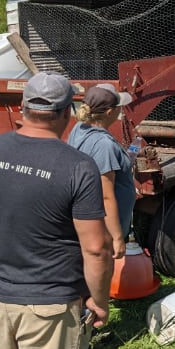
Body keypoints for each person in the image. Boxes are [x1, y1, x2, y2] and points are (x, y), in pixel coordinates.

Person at [0, 72, 113, 349]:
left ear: (22, 107)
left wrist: (5, 266)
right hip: (51, 303)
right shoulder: (77, 167)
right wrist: (99, 302)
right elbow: (97, 248)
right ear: (66, 113)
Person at [67, 83, 136, 260]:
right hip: (102, 229)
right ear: (109, 112)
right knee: (99, 269)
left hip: (85, 220)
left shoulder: (80, 128)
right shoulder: (104, 145)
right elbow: (106, 197)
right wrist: (117, 237)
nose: (120, 109)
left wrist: (124, 158)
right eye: (118, 106)